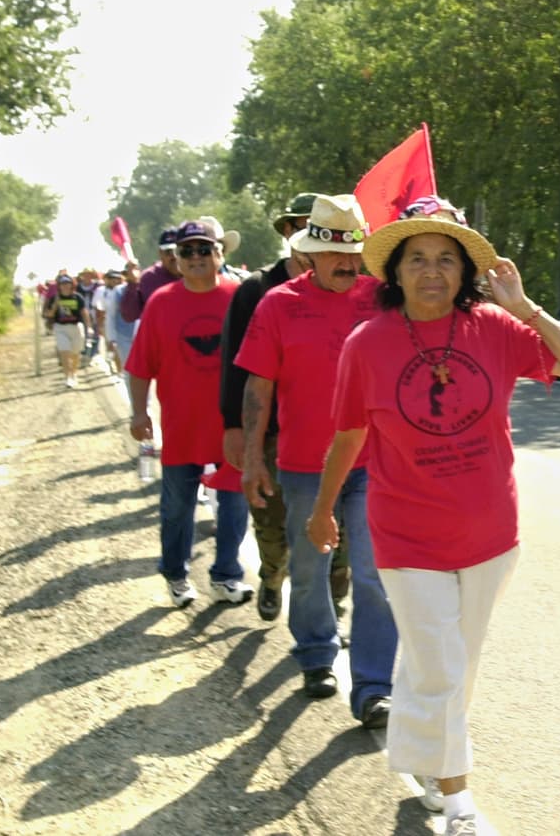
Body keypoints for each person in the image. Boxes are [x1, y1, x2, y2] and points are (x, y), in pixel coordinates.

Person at [306, 196, 560, 835]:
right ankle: (459, 804)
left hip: (492, 535)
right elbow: (349, 436)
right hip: (408, 537)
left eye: (446, 258)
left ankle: (423, 760)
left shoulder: (495, 329)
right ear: (395, 272)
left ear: (466, 272)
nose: (432, 270)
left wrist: (524, 308)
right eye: (417, 259)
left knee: (451, 664)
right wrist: (324, 510)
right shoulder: (367, 344)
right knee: (439, 665)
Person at [235, 194, 396, 727]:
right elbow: (258, 386)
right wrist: (254, 459)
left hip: (375, 463)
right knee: (309, 568)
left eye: (357, 254)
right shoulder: (278, 304)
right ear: (311, 255)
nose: (350, 265)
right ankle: (317, 656)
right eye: (338, 256)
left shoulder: (382, 299)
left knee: (374, 574)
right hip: (304, 464)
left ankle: (374, 685)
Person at [220, 191, 351, 623]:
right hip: (277, 437)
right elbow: (236, 370)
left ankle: (329, 611)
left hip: (344, 438)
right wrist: (235, 429)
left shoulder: (355, 288)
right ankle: (273, 574)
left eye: (310, 226)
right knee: (275, 529)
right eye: (296, 226)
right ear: (290, 235)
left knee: (340, 538)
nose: (302, 234)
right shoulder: (259, 290)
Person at [125, 219, 256, 609]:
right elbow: (139, 365)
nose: (196, 257)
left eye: (204, 249)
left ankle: (227, 575)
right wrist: (137, 412)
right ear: (176, 259)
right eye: (188, 251)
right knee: (178, 507)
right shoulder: (162, 303)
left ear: (220, 254)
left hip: (232, 427)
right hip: (182, 428)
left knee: (235, 504)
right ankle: (176, 573)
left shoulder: (241, 298)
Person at [120, 228, 182, 323]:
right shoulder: (148, 278)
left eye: (178, 251)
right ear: (160, 253)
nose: (174, 256)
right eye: (169, 252)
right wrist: (132, 284)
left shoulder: (197, 275)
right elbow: (129, 316)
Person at [42, 273, 92, 388]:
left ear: (71, 285)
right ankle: (68, 377)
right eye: (63, 284)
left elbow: (84, 312)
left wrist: (88, 327)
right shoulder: (54, 298)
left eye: (67, 283)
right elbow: (48, 314)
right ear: (59, 286)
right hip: (60, 328)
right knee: (64, 352)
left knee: (75, 354)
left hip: (76, 327)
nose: (65, 286)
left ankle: (74, 373)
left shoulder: (77, 297)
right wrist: (55, 305)